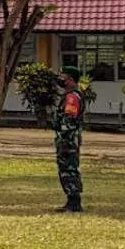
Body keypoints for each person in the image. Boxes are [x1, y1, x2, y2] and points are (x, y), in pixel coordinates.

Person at [54, 67, 86, 213]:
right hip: (66, 139)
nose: (60, 79)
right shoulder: (69, 95)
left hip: (68, 140)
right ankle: (70, 201)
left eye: (63, 76)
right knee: (66, 169)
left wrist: (64, 139)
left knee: (69, 169)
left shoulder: (72, 98)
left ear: (71, 79)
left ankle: (74, 203)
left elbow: (69, 120)